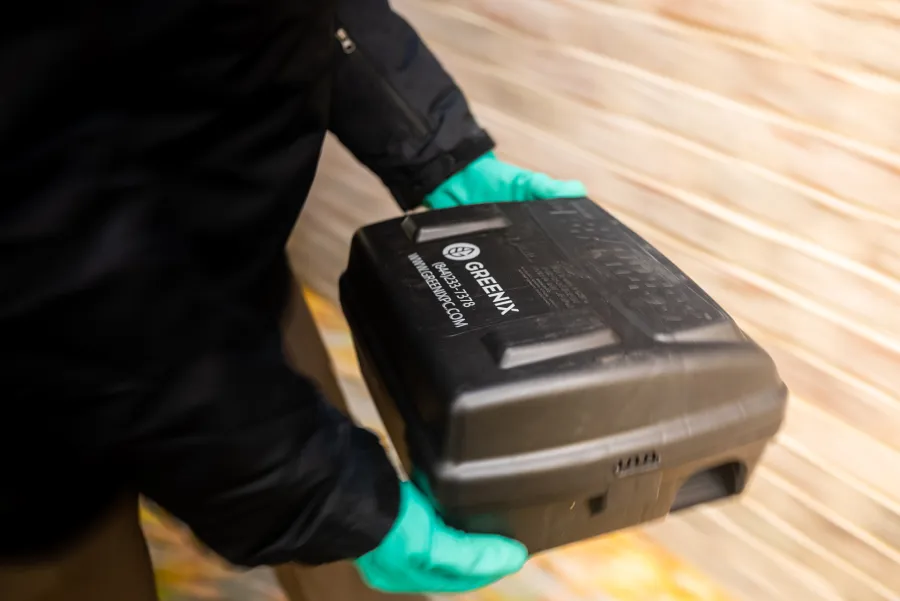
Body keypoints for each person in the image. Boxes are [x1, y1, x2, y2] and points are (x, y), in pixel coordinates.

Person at [0, 0, 586, 599]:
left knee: (358, 535)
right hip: (35, 380)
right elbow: (43, 232)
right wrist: (307, 486)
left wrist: (436, 146)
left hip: (234, 268)